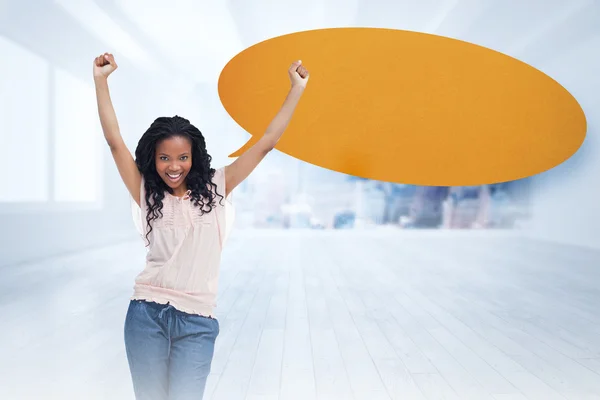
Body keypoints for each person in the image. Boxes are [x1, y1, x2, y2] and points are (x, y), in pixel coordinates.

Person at [93, 52, 309, 400]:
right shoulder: (146, 191)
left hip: (197, 322)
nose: (173, 166)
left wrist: (296, 88)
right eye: (164, 158)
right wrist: (101, 81)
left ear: (194, 158)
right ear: (153, 158)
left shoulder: (217, 186)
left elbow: (267, 141)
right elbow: (115, 141)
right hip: (146, 315)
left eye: (182, 157)